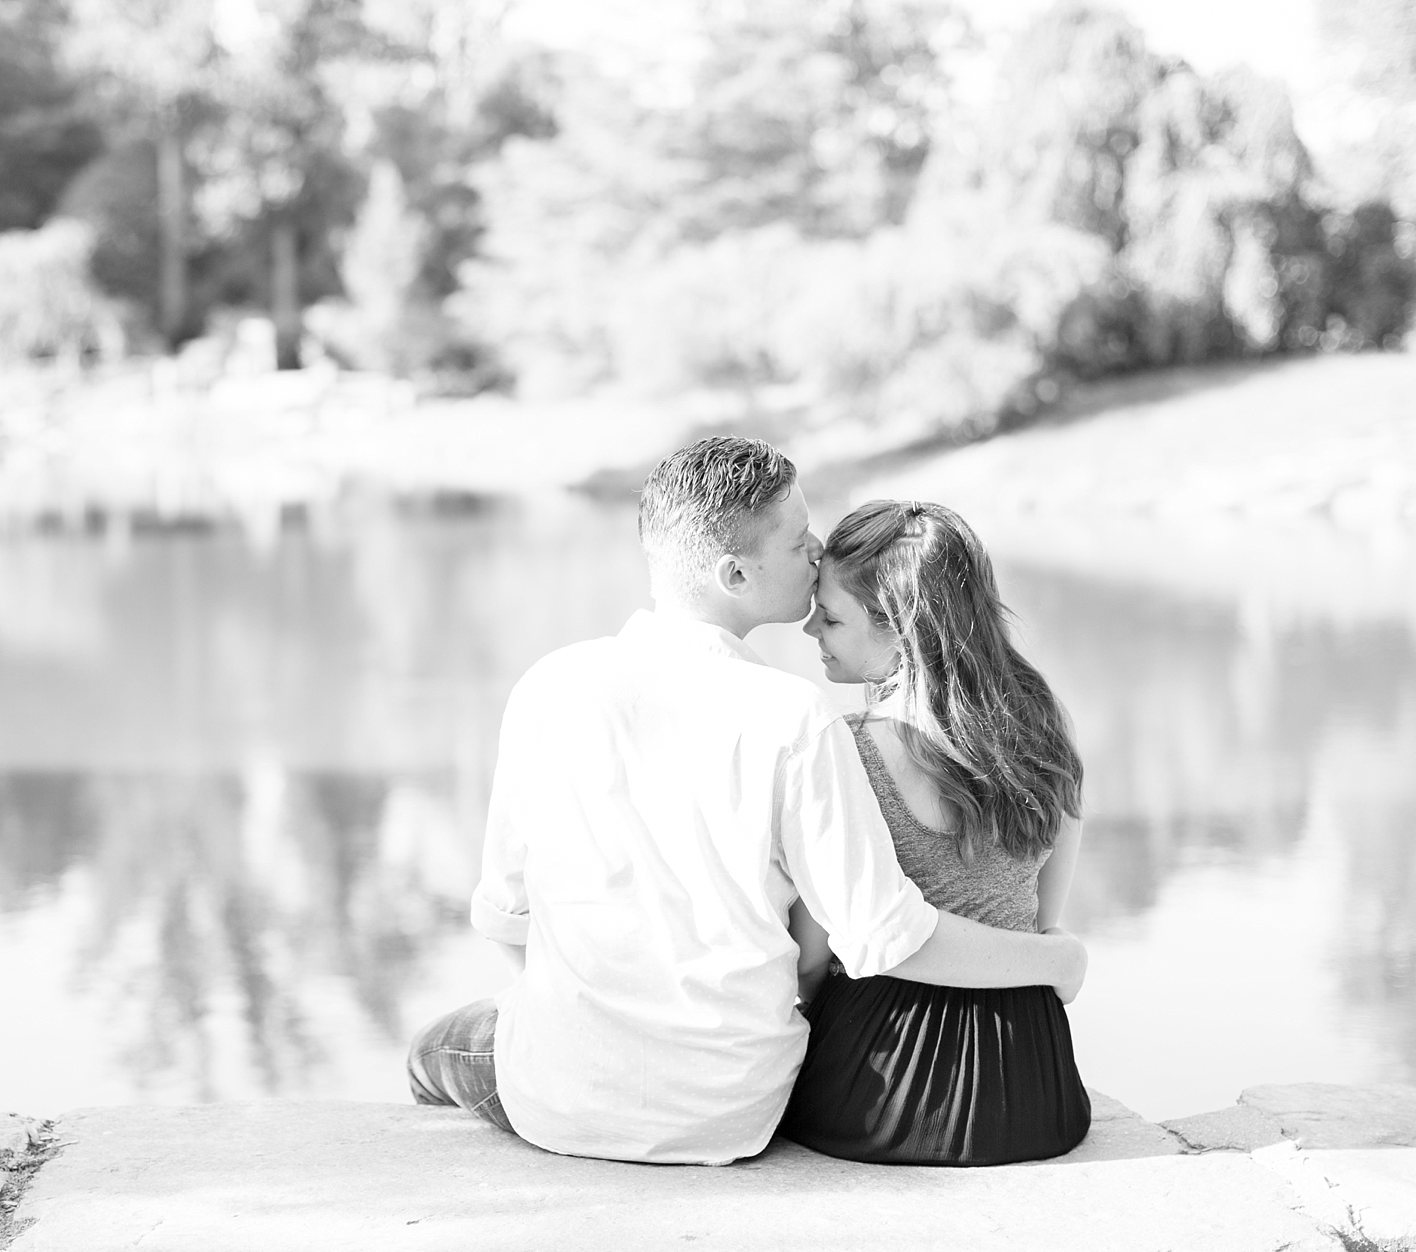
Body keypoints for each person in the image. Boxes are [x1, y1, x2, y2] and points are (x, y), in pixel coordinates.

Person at [405, 437, 1087, 1165]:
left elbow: (504, 915)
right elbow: (859, 942)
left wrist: (587, 1015)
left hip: (566, 1097)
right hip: (732, 1106)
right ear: (734, 572)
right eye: (799, 541)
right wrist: (1058, 959)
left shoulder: (550, 686)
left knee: (432, 1050)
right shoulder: (799, 719)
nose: (818, 550)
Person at [780, 499, 1092, 1165]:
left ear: (899, 630)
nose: (810, 627)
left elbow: (811, 953)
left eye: (831, 616)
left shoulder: (845, 749)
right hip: (1036, 1095)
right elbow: (1040, 923)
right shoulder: (1045, 728)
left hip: (879, 1096)